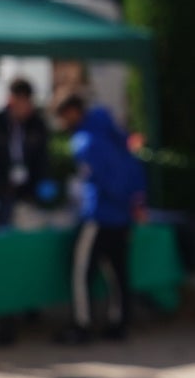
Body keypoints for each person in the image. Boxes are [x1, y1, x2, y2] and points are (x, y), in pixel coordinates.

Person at [53, 92, 146, 343]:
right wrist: (134, 202)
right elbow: (134, 169)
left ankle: (81, 325)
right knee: (118, 271)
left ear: (72, 112)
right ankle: (119, 323)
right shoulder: (116, 134)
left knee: (81, 270)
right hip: (123, 215)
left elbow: (103, 181)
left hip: (100, 215)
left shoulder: (85, 142)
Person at [0, 76, 51, 222]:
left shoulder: (37, 125)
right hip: (0, 190)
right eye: (18, 102)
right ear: (10, 100)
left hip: (28, 190)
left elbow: (42, 158)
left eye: (25, 102)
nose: (21, 108)